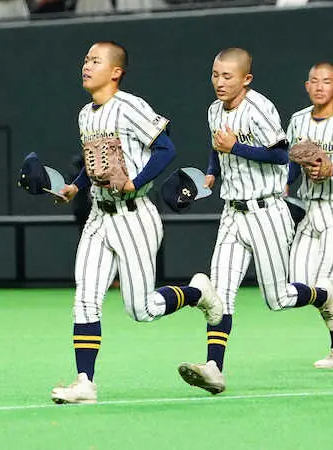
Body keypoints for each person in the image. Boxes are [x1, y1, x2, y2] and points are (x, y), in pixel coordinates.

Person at [48, 41, 224, 405]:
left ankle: (198, 294)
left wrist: (136, 180)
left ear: (115, 71)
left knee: (141, 309)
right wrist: (74, 188)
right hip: (99, 216)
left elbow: (166, 150)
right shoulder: (85, 114)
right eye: (85, 59)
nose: (86, 65)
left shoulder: (130, 106)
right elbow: (91, 164)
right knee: (85, 298)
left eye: (95, 60)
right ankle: (85, 382)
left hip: (134, 215)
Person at [176, 48, 333, 396]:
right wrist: (211, 173)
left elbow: (282, 154)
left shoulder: (259, 107)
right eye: (215, 74)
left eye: (227, 76)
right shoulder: (213, 109)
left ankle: (325, 296)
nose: (219, 82)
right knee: (221, 296)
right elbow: (216, 145)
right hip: (232, 212)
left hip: (267, 212)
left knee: (278, 298)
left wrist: (236, 148)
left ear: (246, 79)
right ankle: (214, 368)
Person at [284, 62, 333, 370]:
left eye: (326, 82)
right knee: (300, 282)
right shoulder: (298, 120)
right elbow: (290, 162)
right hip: (310, 208)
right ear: (306, 86)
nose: (319, 87)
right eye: (314, 81)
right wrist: (284, 187)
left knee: (328, 283)